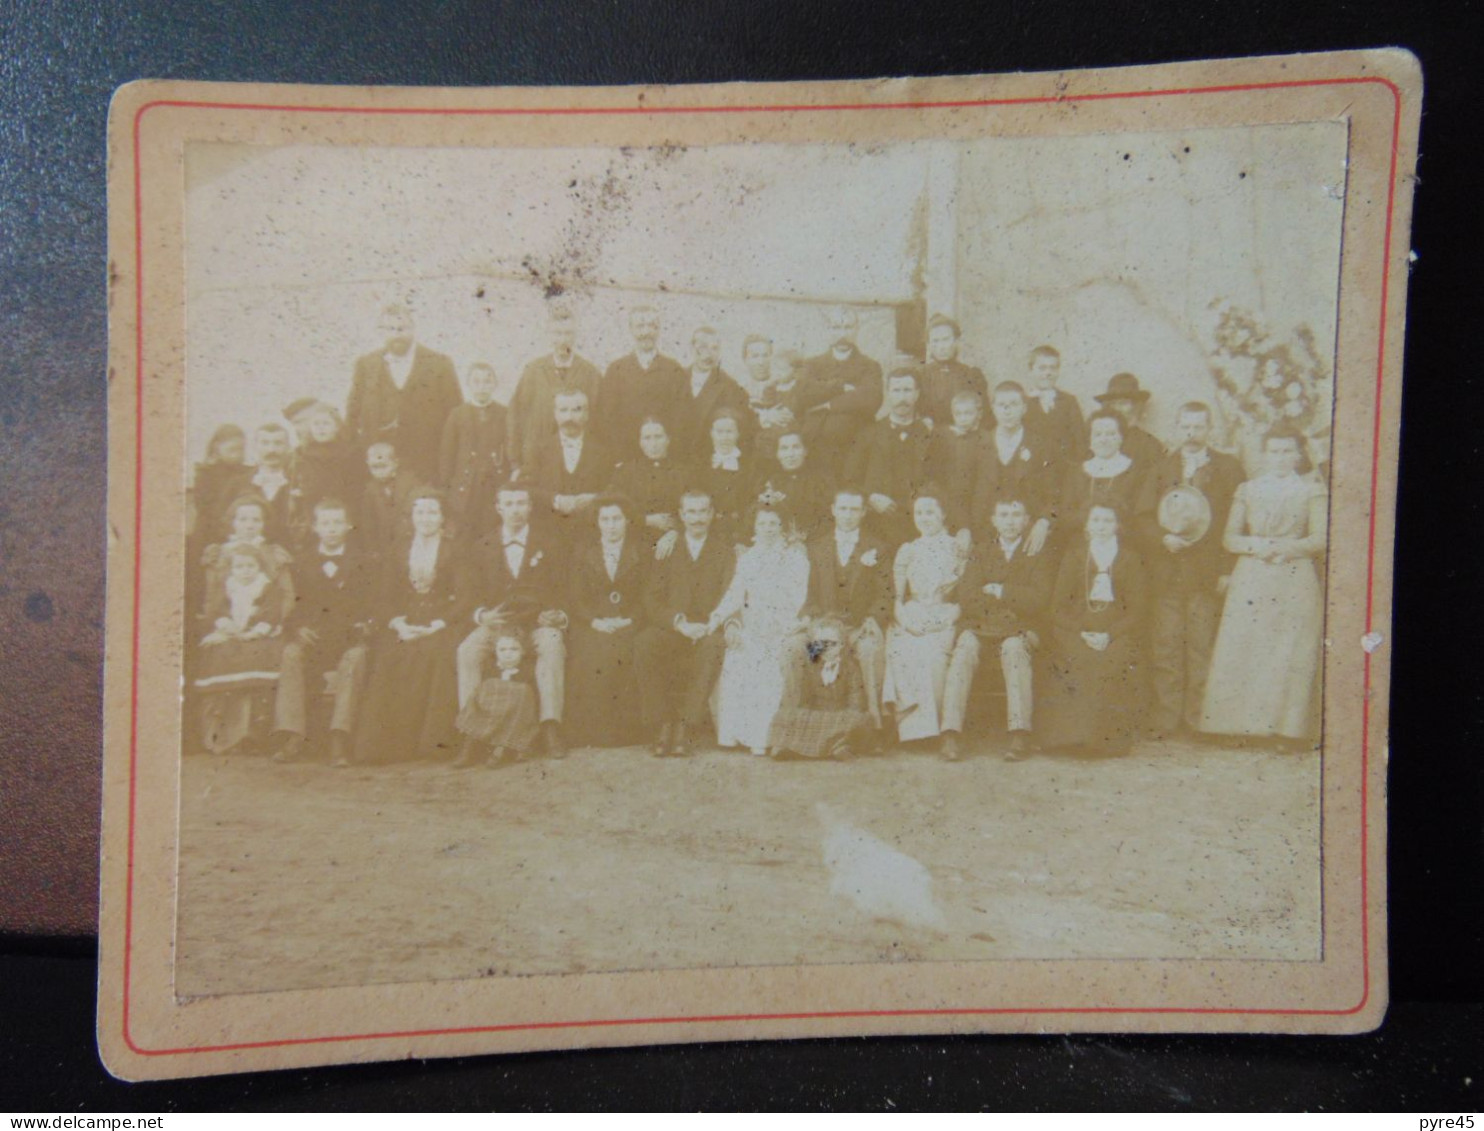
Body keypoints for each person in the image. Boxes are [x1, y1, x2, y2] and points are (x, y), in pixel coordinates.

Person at [1199, 427, 1327, 743]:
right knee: (1246, 646)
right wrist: (1259, 546)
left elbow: (1320, 538)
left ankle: (1286, 730)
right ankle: (1237, 727)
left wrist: (1286, 548)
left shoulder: (1311, 491)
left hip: (1294, 575)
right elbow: (1229, 537)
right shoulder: (1248, 489)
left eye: (1287, 452)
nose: (1280, 458)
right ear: (1264, 455)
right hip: (1253, 574)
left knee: (1287, 651)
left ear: (1298, 456)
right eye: (1274, 452)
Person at [1135, 402, 1245, 737]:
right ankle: (1166, 719)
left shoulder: (1228, 468)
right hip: (1167, 572)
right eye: (1185, 426)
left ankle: (1199, 720)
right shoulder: (1161, 468)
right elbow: (1141, 517)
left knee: (1201, 645)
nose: (1191, 434)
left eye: (1198, 427)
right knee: (1165, 645)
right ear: (1177, 427)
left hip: (1205, 574)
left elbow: (1237, 522)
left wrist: (1227, 569)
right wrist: (1163, 539)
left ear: (1209, 428)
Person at [355, 490, 468, 764]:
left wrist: (437, 625)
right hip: (406, 620)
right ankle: (389, 746)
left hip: (442, 621)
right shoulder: (399, 548)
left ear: (443, 518)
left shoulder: (455, 548)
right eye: (420, 512)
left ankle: (431, 744)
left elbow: (466, 596)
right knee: (390, 656)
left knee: (438, 655)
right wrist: (398, 623)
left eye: (432, 512)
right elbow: (383, 596)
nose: (426, 518)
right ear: (411, 517)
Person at [458, 482, 570, 757]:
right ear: (498, 508)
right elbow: (469, 594)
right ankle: (470, 732)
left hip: (536, 625)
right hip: (497, 624)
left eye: (521, 503)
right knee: (467, 651)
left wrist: (556, 614)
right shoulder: (482, 545)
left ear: (530, 507)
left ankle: (550, 724)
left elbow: (564, 589)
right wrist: (482, 615)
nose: (515, 510)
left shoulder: (550, 543)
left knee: (553, 643)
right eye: (508, 504)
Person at [940, 498, 1053, 761]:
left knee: (1014, 648)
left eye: (1016, 515)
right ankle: (950, 732)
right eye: (1003, 515)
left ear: (1027, 521)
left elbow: (1040, 598)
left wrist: (1001, 591)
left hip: (1021, 626)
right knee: (965, 646)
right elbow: (967, 596)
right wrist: (1002, 607)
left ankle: (1019, 732)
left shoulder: (1037, 553)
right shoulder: (981, 551)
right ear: (993, 521)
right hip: (982, 624)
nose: (1010, 521)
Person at [1039, 504, 1149, 755]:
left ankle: (1104, 742)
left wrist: (1109, 634)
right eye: (1096, 520)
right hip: (1077, 629)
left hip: (1116, 630)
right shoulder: (1075, 556)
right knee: (1076, 657)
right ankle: (1071, 739)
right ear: (1087, 525)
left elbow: (1137, 610)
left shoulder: (1129, 558)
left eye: (1108, 520)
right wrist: (1081, 632)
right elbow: (1057, 608)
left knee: (1112, 659)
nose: (1101, 526)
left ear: (1117, 526)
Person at [270, 498, 373, 767]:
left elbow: (370, 603)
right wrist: (299, 628)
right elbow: (294, 606)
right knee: (291, 654)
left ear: (348, 526)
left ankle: (339, 736)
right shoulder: (302, 562)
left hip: (348, 637)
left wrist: (363, 626)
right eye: (325, 523)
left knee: (355, 658)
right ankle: (293, 734)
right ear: (315, 527)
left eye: (337, 522)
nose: (332, 529)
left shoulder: (362, 561)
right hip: (315, 638)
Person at [635, 488, 735, 756]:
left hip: (707, 628)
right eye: (691, 511)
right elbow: (652, 598)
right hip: (675, 626)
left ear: (712, 514)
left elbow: (729, 594)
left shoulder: (724, 552)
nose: (697, 518)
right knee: (645, 643)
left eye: (703, 511)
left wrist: (708, 625)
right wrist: (678, 623)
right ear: (681, 515)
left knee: (714, 647)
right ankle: (662, 723)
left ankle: (686, 725)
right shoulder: (667, 548)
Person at [706, 506, 811, 755]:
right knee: (737, 654)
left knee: (768, 664)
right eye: (762, 524)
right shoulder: (748, 558)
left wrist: (777, 622)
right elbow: (735, 594)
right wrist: (717, 617)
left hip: (782, 625)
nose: (767, 529)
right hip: (752, 625)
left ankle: (761, 738)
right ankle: (734, 734)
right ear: (754, 527)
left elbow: (798, 596)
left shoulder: (795, 558)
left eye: (773, 524)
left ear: (781, 528)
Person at [795, 486, 893, 730]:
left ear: (863, 513)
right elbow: (808, 593)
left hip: (858, 626)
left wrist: (873, 617)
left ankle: (873, 726)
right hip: (824, 626)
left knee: (871, 650)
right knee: (793, 648)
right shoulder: (816, 547)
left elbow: (886, 593)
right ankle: (796, 724)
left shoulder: (878, 547)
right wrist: (817, 623)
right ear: (833, 511)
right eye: (843, 509)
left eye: (854, 509)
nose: (848, 514)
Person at [881, 490, 965, 745]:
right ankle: (908, 729)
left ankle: (932, 729)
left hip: (945, 612)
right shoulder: (908, 550)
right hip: (912, 611)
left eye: (930, 512)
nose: (925, 518)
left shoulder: (957, 548)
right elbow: (896, 598)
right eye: (919, 513)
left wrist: (945, 619)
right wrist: (906, 621)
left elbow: (964, 597)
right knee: (901, 648)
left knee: (932, 653)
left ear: (943, 514)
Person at [564, 495, 648, 747]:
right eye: (605, 519)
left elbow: (648, 594)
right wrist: (595, 621)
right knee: (592, 651)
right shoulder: (583, 552)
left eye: (617, 519)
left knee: (625, 649)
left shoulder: (641, 551)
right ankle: (592, 732)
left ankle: (626, 732)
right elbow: (576, 597)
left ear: (626, 521)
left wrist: (630, 619)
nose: (611, 525)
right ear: (597, 523)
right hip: (594, 621)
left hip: (628, 621)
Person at [192, 542, 290, 756]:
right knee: (217, 654)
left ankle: (254, 734)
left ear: (259, 568)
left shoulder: (267, 587)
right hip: (232, 635)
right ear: (232, 569)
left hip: (259, 637)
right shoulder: (227, 587)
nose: (245, 572)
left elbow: (271, 614)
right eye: (240, 567)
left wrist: (255, 632)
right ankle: (221, 734)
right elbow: (217, 611)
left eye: (250, 566)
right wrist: (225, 626)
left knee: (256, 658)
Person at [346, 304, 462, 484]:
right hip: (380, 462)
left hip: (425, 458)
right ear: (382, 332)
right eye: (390, 329)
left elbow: (454, 413)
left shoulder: (439, 363)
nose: (397, 335)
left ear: (413, 329)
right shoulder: (366, 364)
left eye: (402, 329)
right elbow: (353, 412)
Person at [506, 306, 602, 472]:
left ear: (575, 336)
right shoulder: (533, 371)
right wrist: (515, 463)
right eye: (557, 333)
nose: (563, 340)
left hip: (576, 462)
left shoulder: (590, 373)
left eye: (568, 334)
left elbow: (600, 420)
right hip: (537, 460)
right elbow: (516, 415)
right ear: (549, 336)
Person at [846, 367, 934, 548]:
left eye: (907, 390)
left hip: (916, 527)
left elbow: (938, 479)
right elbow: (849, 479)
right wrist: (870, 497)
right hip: (877, 525)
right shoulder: (869, 433)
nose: (902, 398)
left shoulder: (929, 435)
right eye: (896, 390)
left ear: (917, 394)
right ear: (888, 394)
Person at [768, 616, 874, 760]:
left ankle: (820, 747)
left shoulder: (850, 667)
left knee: (861, 720)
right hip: (815, 715)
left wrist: (843, 716)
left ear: (841, 645)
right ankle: (833, 747)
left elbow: (856, 702)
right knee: (784, 716)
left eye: (832, 644)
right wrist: (806, 715)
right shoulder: (808, 666)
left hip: (840, 716)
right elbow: (803, 700)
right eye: (819, 644)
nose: (824, 649)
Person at [971, 381, 1057, 555]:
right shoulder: (978, 443)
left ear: (1024, 408)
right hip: (985, 533)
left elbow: (1054, 493)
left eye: (1013, 404)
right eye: (1002, 405)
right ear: (993, 408)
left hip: (1028, 533)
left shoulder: (1040, 445)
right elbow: (965, 492)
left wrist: (1044, 520)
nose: (1007, 411)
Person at [797, 306, 884, 475]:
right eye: (836, 327)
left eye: (848, 327)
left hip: (853, 449)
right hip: (816, 448)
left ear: (857, 329)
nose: (842, 334)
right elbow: (803, 394)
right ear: (828, 330)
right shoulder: (812, 364)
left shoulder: (869, 366)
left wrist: (828, 404)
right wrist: (841, 388)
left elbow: (871, 399)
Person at [525, 388, 615, 544]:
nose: (569, 417)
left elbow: (613, 489)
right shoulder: (538, 448)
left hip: (590, 536)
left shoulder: (603, 452)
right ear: (555, 414)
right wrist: (556, 500)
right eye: (564, 410)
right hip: (548, 535)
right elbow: (527, 488)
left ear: (586, 414)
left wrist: (594, 499)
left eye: (577, 410)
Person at [597, 305, 687, 459]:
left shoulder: (674, 370)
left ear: (658, 330)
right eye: (640, 326)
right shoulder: (616, 370)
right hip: (627, 457)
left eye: (652, 326)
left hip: (664, 459)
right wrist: (618, 456)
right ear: (631, 329)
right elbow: (607, 418)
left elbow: (681, 419)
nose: (646, 332)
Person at [1055, 408, 1147, 553]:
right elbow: (1066, 516)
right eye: (1098, 434)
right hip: (1081, 549)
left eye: (1111, 434)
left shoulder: (1135, 472)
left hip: (1123, 549)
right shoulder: (1076, 472)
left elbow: (1138, 519)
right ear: (1090, 439)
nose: (1104, 440)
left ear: (1121, 437)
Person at [452, 628, 540, 769]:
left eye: (514, 649)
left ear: (523, 651)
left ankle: (500, 750)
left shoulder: (526, 669)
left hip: (512, 711)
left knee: (523, 691)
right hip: (490, 710)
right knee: (486, 687)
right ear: (496, 652)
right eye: (502, 650)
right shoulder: (491, 668)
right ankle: (469, 749)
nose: (508, 654)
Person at [439, 361, 508, 539]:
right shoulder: (457, 414)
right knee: (464, 535)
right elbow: (447, 456)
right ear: (468, 384)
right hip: (465, 487)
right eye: (476, 381)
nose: (482, 387)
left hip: (493, 486)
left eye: (487, 381)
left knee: (491, 533)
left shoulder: (505, 414)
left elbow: (510, 451)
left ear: (495, 384)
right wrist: (447, 490)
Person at [672, 325, 750, 463]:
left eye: (714, 348)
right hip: (676, 459)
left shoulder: (729, 386)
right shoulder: (676, 379)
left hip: (709, 463)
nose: (708, 354)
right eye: (702, 347)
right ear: (691, 348)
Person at [607, 417, 686, 551]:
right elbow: (612, 510)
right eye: (647, 438)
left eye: (658, 437)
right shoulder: (625, 472)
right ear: (640, 442)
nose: (653, 444)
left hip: (673, 544)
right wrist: (646, 520)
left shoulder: (683, 473)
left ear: (668, 439)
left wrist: (675, 532)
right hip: (634, 543)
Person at [926, 389, 991, 536]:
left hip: (974, 503)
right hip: (950, 501)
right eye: (958, 414)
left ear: (979, 414)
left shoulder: (985, 438)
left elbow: (984, 483)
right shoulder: (945, 435)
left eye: (968, 413)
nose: (963, 419)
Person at [226, 422, 300, 546]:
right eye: (265, 443)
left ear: (288, 447)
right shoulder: (237, 484)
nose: (271, 450)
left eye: (278, 443)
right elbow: (224, 524)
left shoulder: (298, 482)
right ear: (255, 447)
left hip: (289, 555)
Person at [751, 429, 831, 541]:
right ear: (777, 454)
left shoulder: (819, 481)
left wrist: (807, 536)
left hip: (813, 542)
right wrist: (767, 504)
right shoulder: (771, 481)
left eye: (796, 447)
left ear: (805, 451)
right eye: (784, 449)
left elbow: (828, 518)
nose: (790, 454)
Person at [293, 403, 359, 532]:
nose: (321, 428)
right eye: (316, 424)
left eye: (326, 423)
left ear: (337, 427)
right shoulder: (301, 454)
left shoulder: (350, 454)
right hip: (313, 515)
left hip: (341, 515)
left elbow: (356, 490)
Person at [918, 314, 988, 429]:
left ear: (956, 341)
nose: (941, 346)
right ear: (929, 344)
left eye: (946, 340)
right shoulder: (920, 375)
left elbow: (984, 415)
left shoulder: (972, 375)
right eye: (935, 341)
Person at [1022, 345, 1085, 466]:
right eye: (1042, 368)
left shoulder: (1069, 402)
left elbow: (1080, 441)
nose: (1048, 373)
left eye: (1053, 368)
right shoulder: (1023, 403)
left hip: (1063, 473)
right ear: (1031, 370)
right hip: (1032, 472)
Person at [697, 407, 753, 542]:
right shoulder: (700, 464)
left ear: (738, 434)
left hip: (741, 534)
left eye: (729, 432)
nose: (724, 438)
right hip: (710, 534)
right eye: (719, 432)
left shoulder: (750, 465)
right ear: (711, 433)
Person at [1092, 372, 1164, 471]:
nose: (1117, 409)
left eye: (1123, 403)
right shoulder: (1097, 442)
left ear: (1136, 406)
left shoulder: (1150, 445)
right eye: (1113, 404)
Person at [359, 441, 424, 549]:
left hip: (407, 539)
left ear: (395, 463)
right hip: (384, 541)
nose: (379, 472)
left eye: (383, 466)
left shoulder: (409, 483)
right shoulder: (370, 489)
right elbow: (368, 522)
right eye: (375, 467)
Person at [189, 424, 247, 546]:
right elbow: (205, 509)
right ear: (217, 448)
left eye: (241, 449)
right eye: (232, 449)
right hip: (210, 533)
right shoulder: (205, 474)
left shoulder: (246, 473)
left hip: (238, 529)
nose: (237, 454)